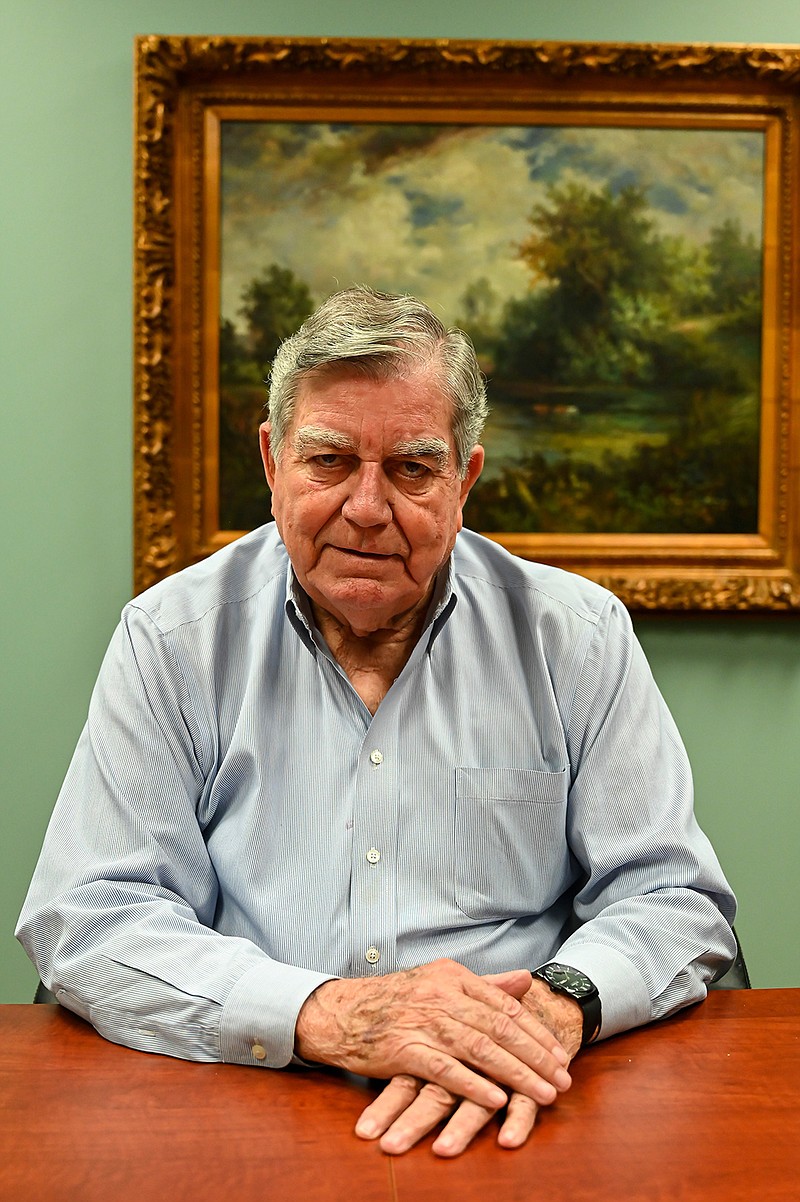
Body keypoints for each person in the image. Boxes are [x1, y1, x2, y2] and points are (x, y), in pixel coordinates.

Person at [17, 286, 736, 1158]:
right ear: (273, 462)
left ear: (464, 479)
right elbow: (89, 916)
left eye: (411, 467)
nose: (366, 507)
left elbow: (674, 900)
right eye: (328, 462)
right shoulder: (173, 640)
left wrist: (553, 1008)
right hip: (246, 1104)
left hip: (517, 1106)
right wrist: (329, 1016)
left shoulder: (575, 638)